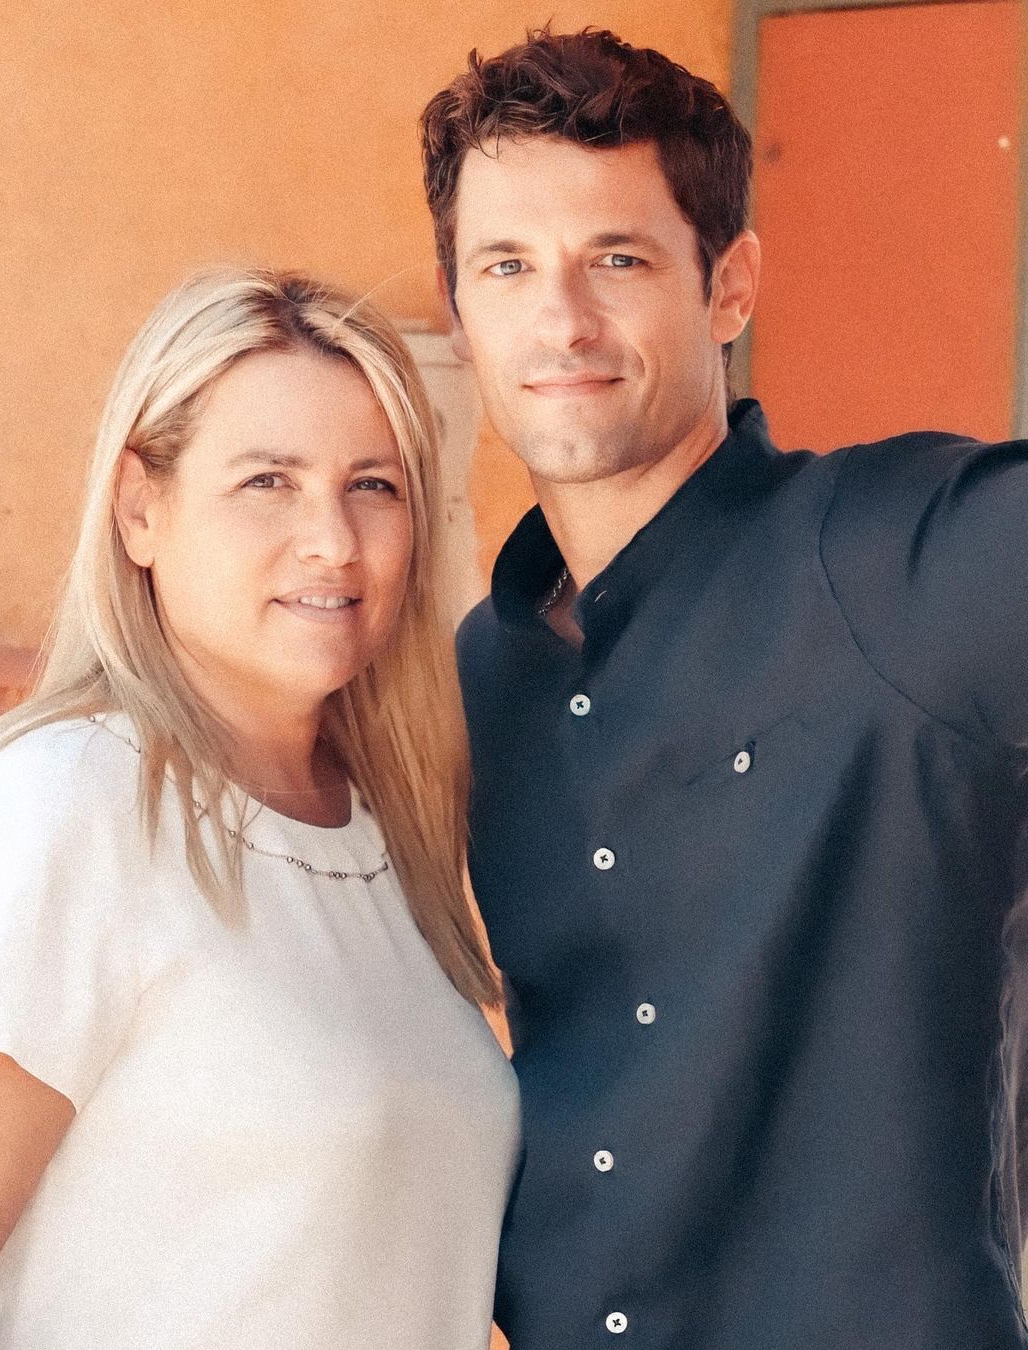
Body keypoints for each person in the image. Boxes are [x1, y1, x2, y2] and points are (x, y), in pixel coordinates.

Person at [420, 27, 1028, 1350]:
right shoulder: (480, 673)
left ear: (730, 286)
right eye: (508, 266)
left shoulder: (898, 563)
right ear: (459, 311)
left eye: (618, 260)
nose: (561, 321)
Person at [0, 268, 519, 1350]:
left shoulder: (387, 838)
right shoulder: (63, 807)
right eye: (268, 481)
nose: (333, 541)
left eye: (374, 485)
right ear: (139, 508)